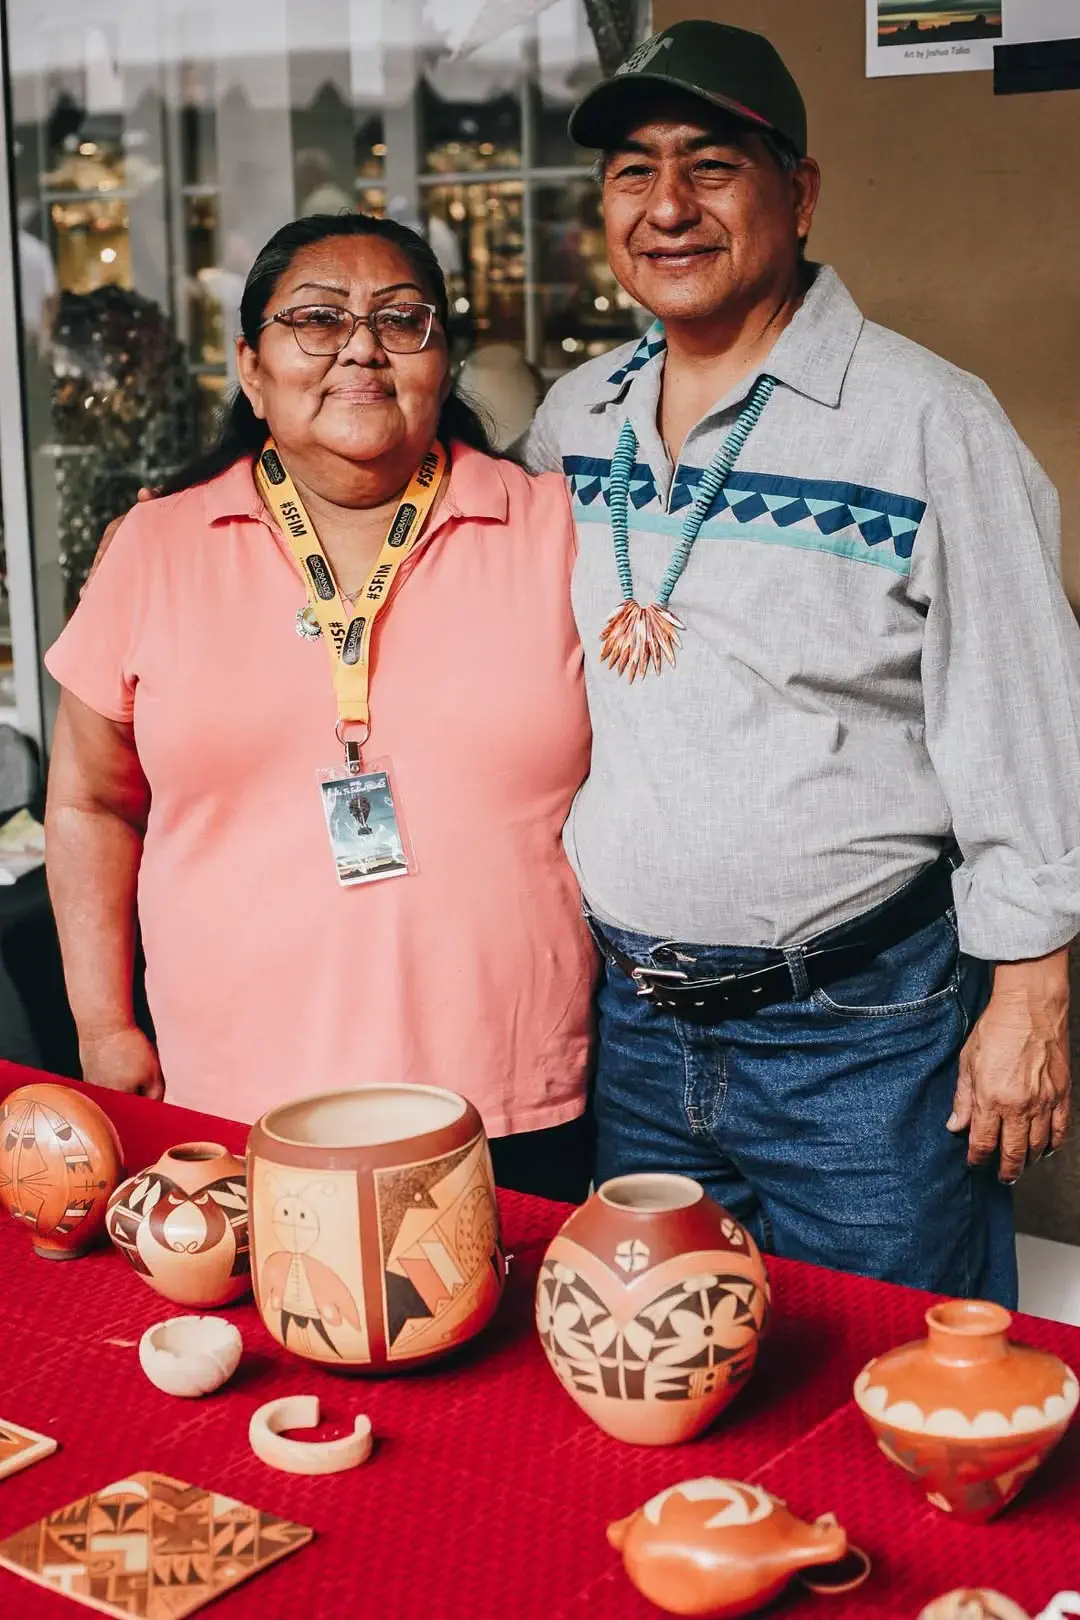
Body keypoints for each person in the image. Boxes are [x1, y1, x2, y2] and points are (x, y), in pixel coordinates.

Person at [522, 19, 1080, 1303]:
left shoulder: (929, 420)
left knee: (887, 1376)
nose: (668, 206)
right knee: (661, 1370)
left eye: (712, 166)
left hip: (860, 1036)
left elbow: (1026, 719)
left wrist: (1032, 996)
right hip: (633, 1029)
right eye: (634, 172)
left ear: (801, 192)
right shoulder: (576, 417)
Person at [44, 212, 596, 1202]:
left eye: (401, 319)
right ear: (251, 370)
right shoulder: (157, 549)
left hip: (510, 1096)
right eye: (318, 318)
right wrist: (102, 1024)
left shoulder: (553, 531)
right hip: (229, 1094)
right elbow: (91, 801)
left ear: (443, 362)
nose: (361, 347)